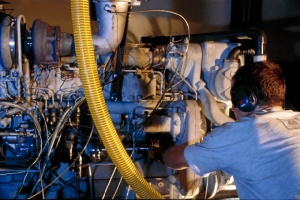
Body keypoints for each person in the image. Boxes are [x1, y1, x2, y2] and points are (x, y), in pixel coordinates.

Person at [151, 61, 300, 199]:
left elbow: (175, 159)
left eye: (234, 99)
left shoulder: (242, 133)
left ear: (245, 100)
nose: (233, 109)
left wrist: (157, 152)